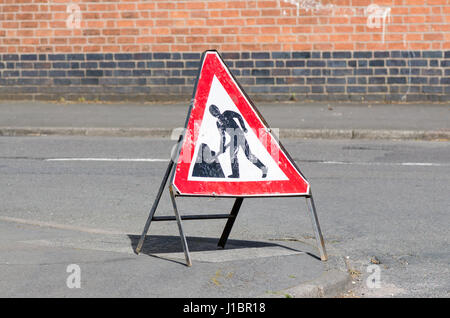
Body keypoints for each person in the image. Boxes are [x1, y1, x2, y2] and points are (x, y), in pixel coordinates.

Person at [209, 104, 267, 178]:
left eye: (215, 110)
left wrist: (243, 127)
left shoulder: (227, 113)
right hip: (233, 138)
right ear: (212, 114)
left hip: (239, 135)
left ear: (218, 109)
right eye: (213, 112)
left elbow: (238, 116)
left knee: (248, 155)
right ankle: (236, 174)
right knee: (233, 156)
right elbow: (222, 136)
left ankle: (263, 168)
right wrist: (222, 147)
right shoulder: (218, 123)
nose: (215, 112)